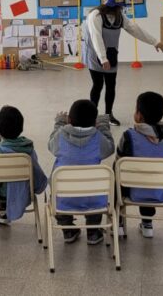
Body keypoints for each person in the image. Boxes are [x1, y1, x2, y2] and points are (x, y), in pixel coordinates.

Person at [83, 0, 163, 125]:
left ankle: (108, 115)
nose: (119, 9)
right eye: (117, 6)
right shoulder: (95, 15)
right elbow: (96, 37)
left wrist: (154, 41)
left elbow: (134, 29)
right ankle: (92, 116)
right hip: (94, 54)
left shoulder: (119, 16)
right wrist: (103, 58)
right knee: (97, 85)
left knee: (111, 85)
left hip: (112, 53)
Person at [48, 99, 114, 245]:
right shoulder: (98, 138)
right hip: (93, 197)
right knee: (96, 190)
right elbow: (109, 148)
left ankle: (68, 230)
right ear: (94, 122)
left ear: (69, 120)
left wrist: (59, 124)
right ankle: (93, 231)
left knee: (57, 188)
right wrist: (103, 127)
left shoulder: (60, 135)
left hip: (63, 197)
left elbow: (50, 145)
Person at [0, 106, 47, 225]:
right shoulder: (28, 148)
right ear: (21, 127)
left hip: (5, 193)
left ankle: (3, 209)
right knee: (9, 178)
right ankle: (3, 211)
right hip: (25, 190)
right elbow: (36, 170)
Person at [116, 92, 163, 239]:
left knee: (115, 176)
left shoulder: (129, 135)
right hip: (158, 188)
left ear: (139, 115)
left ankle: (119, 223)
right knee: (149, 174)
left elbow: (119, 161)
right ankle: (147, 224)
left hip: (131, 188)